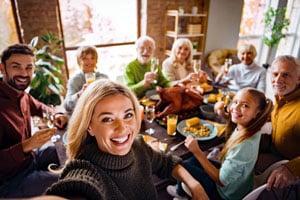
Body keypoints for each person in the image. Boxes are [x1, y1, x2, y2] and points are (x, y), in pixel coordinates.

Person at [45, 79, 208, 200]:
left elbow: (166, 162)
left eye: (128, 115)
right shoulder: (87, 171)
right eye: (107, 119)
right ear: (90, 127)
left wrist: (195, 185)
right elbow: (75, 190)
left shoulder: (138, 146)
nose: (122, 128)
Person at [167, 87, 273, 200]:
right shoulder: (251, 128)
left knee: (181, 166)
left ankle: (181, 194)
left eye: (245, 105)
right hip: (239, 184)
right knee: (193, 160)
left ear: (257, 113)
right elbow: (233, 121)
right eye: (235, 102)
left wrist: (197, 151)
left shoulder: (245, 145)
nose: (235, 107)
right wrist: (225, 113)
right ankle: (181, 189)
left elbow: (221, 181)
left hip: (225, 194)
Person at [0, 43, 68, 198]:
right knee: (70, 179)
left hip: (31, 158)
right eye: (16, 67)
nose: (24, 73)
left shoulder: (22, 94)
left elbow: (42, 108)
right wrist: (26, 146)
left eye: (29, 67)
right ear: (2, 68)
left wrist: (57, 115)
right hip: (10, 180)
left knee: (68, 149)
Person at [255, 55, 300, 199]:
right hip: (275, 150)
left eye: (286, 75)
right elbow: (274, 117)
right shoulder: (282, 98)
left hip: (292, 165)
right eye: (275, 74)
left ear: (298, 79)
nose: (278, 79)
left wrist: (292, 169)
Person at [63, 45, 108, 114]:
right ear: (79, 61)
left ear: (96, 60)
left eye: (92, 58)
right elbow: (67, 106)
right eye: (85, 59)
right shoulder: (75, 80)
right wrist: (79, 94)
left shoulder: (103, 78)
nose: (89, 62)